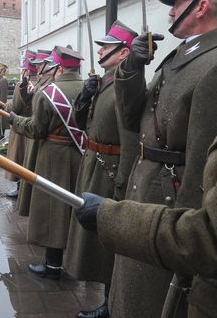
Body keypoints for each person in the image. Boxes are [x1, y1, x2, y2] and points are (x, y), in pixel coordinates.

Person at [75, 0, 217, 318]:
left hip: (172, 196)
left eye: (177, 3)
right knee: (129, 292)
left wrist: (185, 224)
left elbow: (204, 165)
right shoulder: (181, 55)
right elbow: (134, 121)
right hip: (147, 182)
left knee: (147, 298)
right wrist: (132, 64)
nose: (169, 11)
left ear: (201, 6)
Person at [64, 22, 139, 318]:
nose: (100, 51)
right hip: (94, 162)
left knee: (109, 239)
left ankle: (111, 305)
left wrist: (123, 182)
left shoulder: (124, 86)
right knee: (94, 237)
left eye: (107, 47)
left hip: (111, 169)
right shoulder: (106, 81)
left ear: (123, 54)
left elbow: (131, 137)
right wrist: (84, 97)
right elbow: (83, 123)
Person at [9, 46, 84, 279]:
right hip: (82, 155)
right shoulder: (90, 87)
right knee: (76, 207)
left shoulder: (49, 92)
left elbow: (36, 128)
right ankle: (76, 260)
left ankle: (53, 266)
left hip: (53, 156)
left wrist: (15, 121)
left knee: (54, 211)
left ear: (59, 67)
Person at [15, 49, 54, 216]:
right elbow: (31, 104)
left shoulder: (49, 85)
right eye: (36, 64)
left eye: (40, 64)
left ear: (48, 65)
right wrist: (25, 88)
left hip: (39, 131)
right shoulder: (40, 83)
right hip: (33, 126)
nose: (36, 67)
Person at [3, 51, 36, 199]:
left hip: (20, 125)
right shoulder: (39, 83)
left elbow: (15, 106)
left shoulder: (21, 85)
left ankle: (19, 187)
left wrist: (7, 106)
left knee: (18, 158)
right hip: (31, 125)